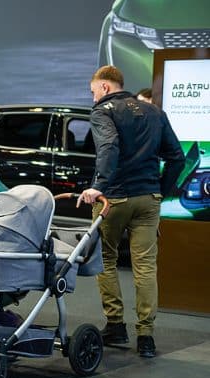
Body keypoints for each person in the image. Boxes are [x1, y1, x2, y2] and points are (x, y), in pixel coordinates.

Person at [77, 65, 185, 358]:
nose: (93, 98)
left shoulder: (103, 111)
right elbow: (177, 157)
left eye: (93, 92)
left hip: (114, 199)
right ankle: (146, 337)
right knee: (146, 267)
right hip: (149, 198)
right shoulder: (155, 112)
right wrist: (160, 190)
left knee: (106, 260)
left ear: (105, 88)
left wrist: (99, 186)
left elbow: (109, 146)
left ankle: (115, 325)